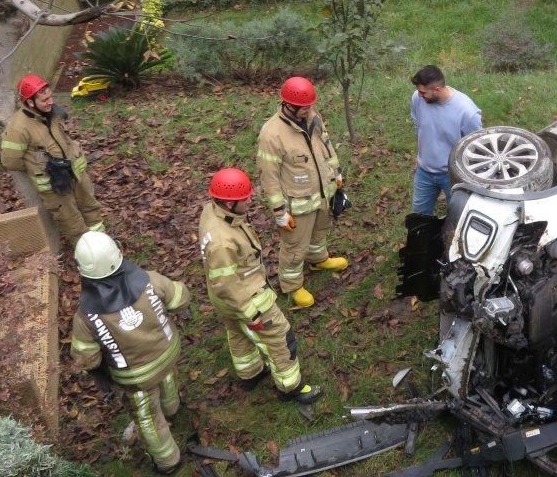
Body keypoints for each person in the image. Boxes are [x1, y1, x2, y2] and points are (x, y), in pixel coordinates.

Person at [69, 231, 190, 474]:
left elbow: (86, 358)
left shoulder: (85, 317)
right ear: (119, 253)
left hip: (135, 378)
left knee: (148, 419)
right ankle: (173, 409)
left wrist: (101, 368)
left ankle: (168, 462)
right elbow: (180, 299)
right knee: (166, 377)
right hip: (168, 352)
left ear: (83, 271)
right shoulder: (150, 279)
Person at [200, 167, 322, 404]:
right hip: (246, 297)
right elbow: (226, 284)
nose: (249, 201)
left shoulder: (212, 212)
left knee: (238, 333)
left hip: (225, 300)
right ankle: (290, 387)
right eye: (244, 199)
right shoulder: (222, 243)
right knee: (279, 337)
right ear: (228, 203)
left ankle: (250, 373)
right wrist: (251, 313)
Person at [256, 77, 348, 309]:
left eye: (310, 106)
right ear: (288, 105)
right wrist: (280, 212)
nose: (308, 110)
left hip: (323, 194)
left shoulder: (313, 117)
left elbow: (326, 146)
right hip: (297, 202)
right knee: (295, 246)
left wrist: (336, 172)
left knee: (320, 232)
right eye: (303, 107)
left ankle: (318, 259)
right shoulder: (272, 134)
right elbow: (269, 177)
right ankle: (291, 284)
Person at [0, 73, 104, 243]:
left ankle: (102, 242)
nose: (50, 102)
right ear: (30, 102)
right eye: (44, 100)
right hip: (53, 182)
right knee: (71, 221)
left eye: (50, 97)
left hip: (74, 171)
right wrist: (36, 167)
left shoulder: (50, 112)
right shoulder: (18, 128)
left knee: (90, 207)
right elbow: (11, 161)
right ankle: (88, 250)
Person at [409, 65, 482, 215]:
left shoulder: (467, 112)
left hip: (453, 175)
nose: (420, 95)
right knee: (418, 217)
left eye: (423, 92)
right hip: (424, 172)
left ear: (437, 89)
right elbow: (419, 127)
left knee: (457, 216)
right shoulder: (417, 98)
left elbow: (476, 150)